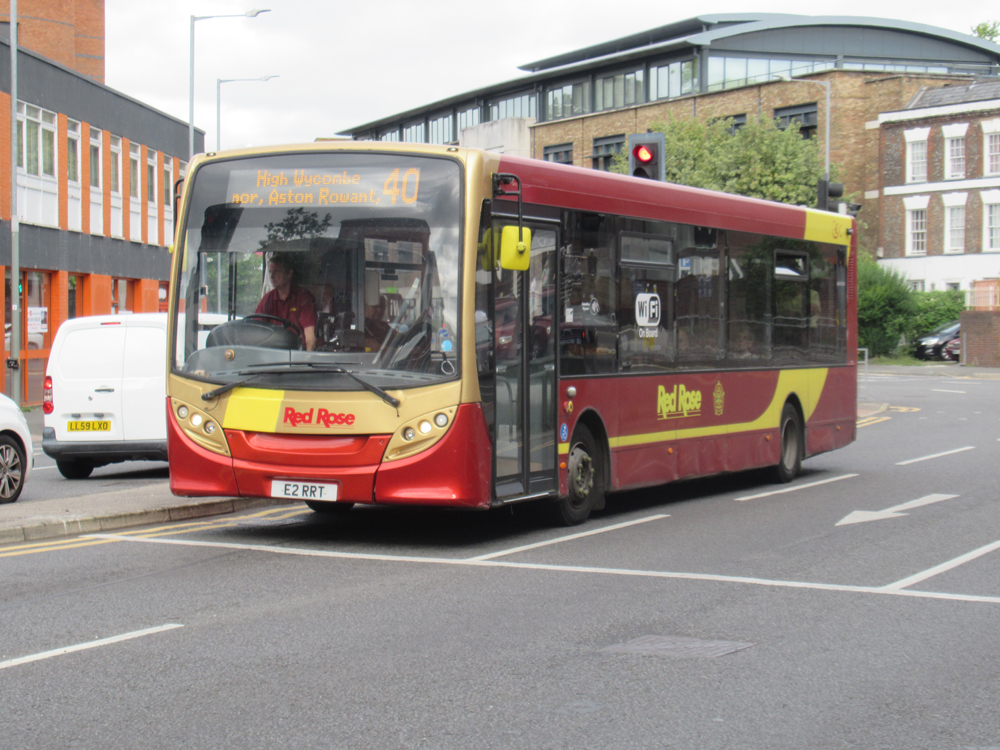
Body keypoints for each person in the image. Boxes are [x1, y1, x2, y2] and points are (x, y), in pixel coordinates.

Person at [255, 253, 317, 350]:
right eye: (270, 272)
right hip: (273, 352)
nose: (271, 276)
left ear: (289, 274)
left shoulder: (304, 298)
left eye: (276, 272)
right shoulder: (267, 299)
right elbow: (256, 328)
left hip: (298, 352)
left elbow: (310, 336)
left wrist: (308, 358)